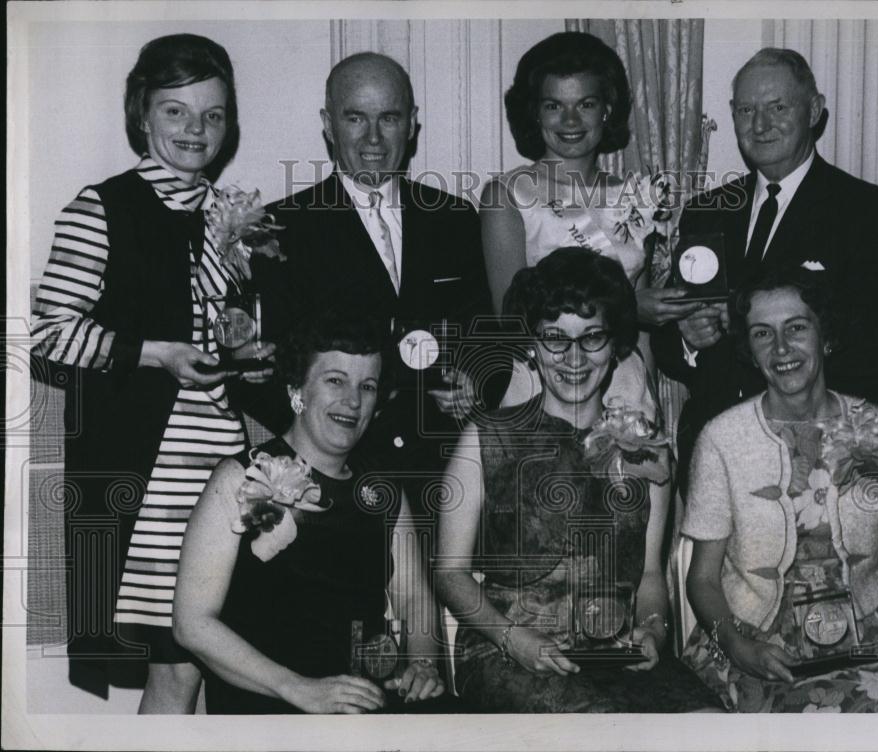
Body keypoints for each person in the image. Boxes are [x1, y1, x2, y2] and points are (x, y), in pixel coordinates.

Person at [30, 34, 273, 711]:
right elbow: (46, 337)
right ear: (141, 114)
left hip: (222, 464)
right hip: (148, 475)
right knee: (177, 660)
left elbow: (232, 337)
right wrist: (156, 353)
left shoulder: (235, 217)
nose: (197, 130)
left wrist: (248, 353)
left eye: (213, 114)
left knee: (189, 663)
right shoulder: (101, 208)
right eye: (175, 111)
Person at [435, 247, 722, 712]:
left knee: (708, 724)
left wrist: (653, 628)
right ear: (532, 344)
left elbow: (651, 576)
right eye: (555, 338)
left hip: (617, 653)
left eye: (592, 337)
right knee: (598, 728)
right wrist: (513, 638)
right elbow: (449, 573)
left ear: (614, 346)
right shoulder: (486, 437)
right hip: (508, 652)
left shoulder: (647, 449)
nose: (574, 357)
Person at [651, 47, 878, 494]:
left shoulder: (866, 212)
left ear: (814, 111)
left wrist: (786, 341)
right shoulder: (707, 211)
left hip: (818, 466)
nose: (760, 125)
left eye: (777, 107)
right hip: (713, 463)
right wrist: (687, 338)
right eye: (746, 110)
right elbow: (665, 342)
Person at [681, 266, 878, 712]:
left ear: (825, 335)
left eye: (796, 328)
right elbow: (703, 579)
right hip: (754, 642)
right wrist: (738, 646)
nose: (781, 348)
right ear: (749, 350)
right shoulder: (721, 439)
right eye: (763, 334)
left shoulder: (875, 427)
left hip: (867, 636)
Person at [241, 51, 498, 513]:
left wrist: (476, 384)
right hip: (332, 481)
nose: (374, 138)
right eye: (355, 118)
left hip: (446, 474)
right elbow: (259, 373)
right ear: (328, 124)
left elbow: (487, 334)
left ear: (412, 123)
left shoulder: (455, 219)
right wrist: (322, 438)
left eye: (389, 118)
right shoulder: (280, 228)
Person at [173, 314, 453, 714]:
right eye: (335, 380)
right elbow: (192, 624)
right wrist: (298, 689)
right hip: (270, 706)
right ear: (296, 389)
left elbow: (413, 597)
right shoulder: (238, 477)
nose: (353, 401)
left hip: (364, 700)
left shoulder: (385, 489)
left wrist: (423, 665)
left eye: (367, 386)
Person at [480, 31, 695, 421]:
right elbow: (511, 321)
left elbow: (643, 333)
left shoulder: (635, 196)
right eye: (553, 106)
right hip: (545, 386)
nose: (570, 121)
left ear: (607, 110)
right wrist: (629, 309)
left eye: (586, 104)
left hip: (625, 391)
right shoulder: (508, 194)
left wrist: (648, 403)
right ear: (534, 113)